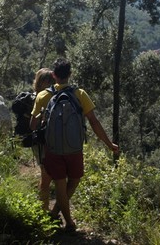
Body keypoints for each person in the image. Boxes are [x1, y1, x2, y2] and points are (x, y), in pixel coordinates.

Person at [30, 58, 119, 232]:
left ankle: (57, 215)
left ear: (54, 75)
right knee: (75, 179)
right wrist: (109, 144)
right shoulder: (80, 94)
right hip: (74, 148)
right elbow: (94, 122)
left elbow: (32, 126)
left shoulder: (42, 96)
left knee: (60, 185)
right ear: (70, 75)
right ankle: (68, 222)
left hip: (53, 149)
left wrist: (43, 121)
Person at [30, 68, 55, 212]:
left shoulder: (47, 96)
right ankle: (43, 211)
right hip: (41, 143)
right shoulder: (39, 98)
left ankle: (45, 209)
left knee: (48, 176)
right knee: (46, 177)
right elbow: (33, 125)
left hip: (43, 143)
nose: (51, 84)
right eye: (48, 81)